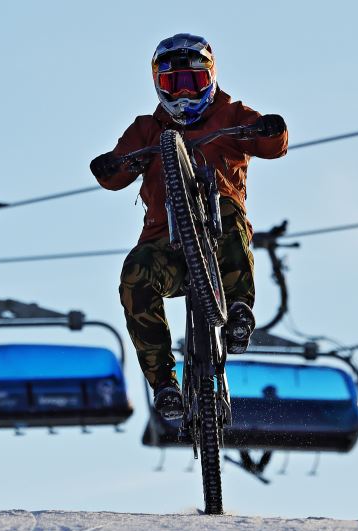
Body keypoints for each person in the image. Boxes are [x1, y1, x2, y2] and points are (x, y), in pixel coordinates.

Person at [89, 34, 288, 419]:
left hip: (218, 232)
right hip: (167, 245)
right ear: (157, 85)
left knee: (228, 213)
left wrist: (269, 129)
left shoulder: (230, 114)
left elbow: (273, 144)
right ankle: (164, 383)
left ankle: (239, 307)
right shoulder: (148, 129)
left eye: (192, 83)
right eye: (172, 84)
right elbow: (117, 171)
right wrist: (111, 166)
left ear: (210, 80)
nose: (183, 94)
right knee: (135, 273)